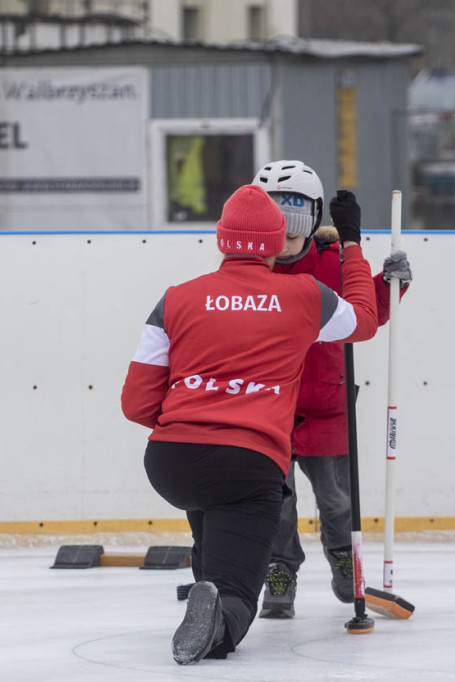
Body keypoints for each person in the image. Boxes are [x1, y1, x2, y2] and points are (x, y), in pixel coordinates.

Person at [121, 183, 380, 665]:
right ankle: (220, 617)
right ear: (278, 238)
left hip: (170, 460)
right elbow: (364, 319)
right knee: (240, 590)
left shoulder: (176, 298)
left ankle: (206, 587)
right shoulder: (304, 295)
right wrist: (351, 244)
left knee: (214, 533)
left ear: (221, 238)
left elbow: (136, 403)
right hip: (246, 464)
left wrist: (193, 415)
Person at [251, 160, 412, 619]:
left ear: (313, 220)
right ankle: (280, 569)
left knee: (337, 501)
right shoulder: (252, 272)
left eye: (293, 228)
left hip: (327, 406)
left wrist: (391, 283)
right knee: (277, 506)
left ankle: (345, 555)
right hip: (268, 414)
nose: (283, 242)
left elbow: (368, 314)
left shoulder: (333, 262)